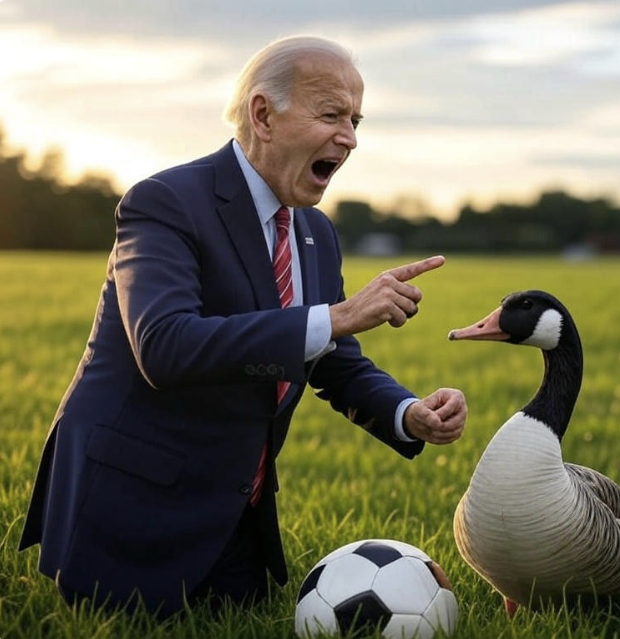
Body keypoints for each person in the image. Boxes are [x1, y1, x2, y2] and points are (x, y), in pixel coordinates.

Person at [18, 35, 467, 618]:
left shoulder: (316, 231)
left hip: (232, 522)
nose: (350, 138)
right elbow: (164, 346)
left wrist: (408, 413)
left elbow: (331, 357)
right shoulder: (164, 201)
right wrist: (337, 316)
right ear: (263, 115)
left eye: (355, 121)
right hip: (129, 517)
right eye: (331, 115)